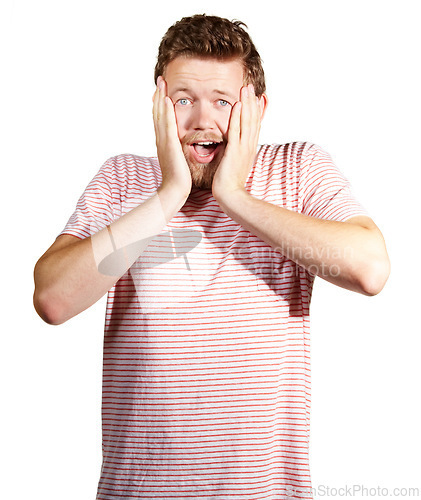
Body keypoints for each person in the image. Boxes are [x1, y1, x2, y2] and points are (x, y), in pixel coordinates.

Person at [33, 14, 390, 500]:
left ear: (257, 109)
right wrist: (169, 194)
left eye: (223, 102)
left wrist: (235, 197)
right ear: (159, 105)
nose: (203, 120)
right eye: (184, 100)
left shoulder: (296, 170)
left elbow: (370, 269)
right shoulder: (122, 180)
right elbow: (52, 299)